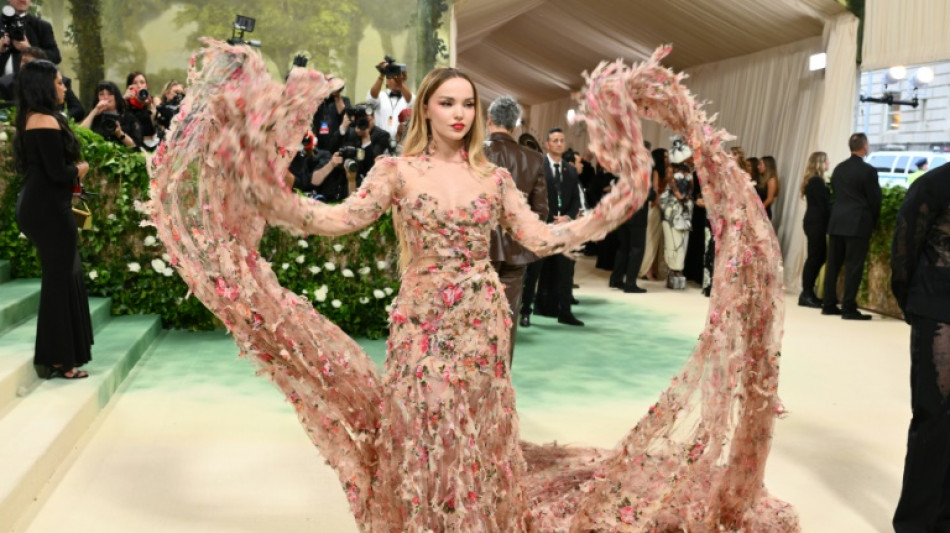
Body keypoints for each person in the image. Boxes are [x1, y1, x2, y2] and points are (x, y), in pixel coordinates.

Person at [152, 41, 799, 532]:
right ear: (424, 108)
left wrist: (618, 204)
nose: (459, 114)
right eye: (447, 102)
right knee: (423, 420)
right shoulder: (396, 171)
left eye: (468, 104)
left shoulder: (493, 181)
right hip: (422, 319)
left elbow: (542, 238)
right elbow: (336, 220)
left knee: (480, 425)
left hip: (482, 318)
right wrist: (271, 195)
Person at [13, 59, 92, 379]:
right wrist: (81, 169)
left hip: (49, 206)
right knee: (59, 279)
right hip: (46, 209)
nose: (64, 87)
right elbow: (57, 173)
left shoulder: (40, 118)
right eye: (59, 82)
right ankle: (58, 358)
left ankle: (65, 354)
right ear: (43, 86)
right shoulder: (42, 121)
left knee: (66, 273)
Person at [891, 161, 950, 532]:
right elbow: (904, 251)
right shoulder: (934, 184)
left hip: (934, 305)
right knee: (933, 418)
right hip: (937, 311)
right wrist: (915, 304)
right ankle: (915, 523)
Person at [484, 95, 548, 362]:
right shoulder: (534, 159)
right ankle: (502, 381)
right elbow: (540, 210)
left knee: (474, 314)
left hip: (479, 245)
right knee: (507, 316)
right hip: (516, 248)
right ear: (515, 126)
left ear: (489, 121)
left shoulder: (476, 153)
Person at [524, 127, 584, 326]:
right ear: (547, 144)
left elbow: (576, 200)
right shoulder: (538, 166)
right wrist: (547, 217)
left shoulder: (571, 170)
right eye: (555, 140)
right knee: (534, 271)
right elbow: (532, 196)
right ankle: (525, 311)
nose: (559, 143)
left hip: (563, 228)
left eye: (561, 140)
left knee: (566, 270)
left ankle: (565, 312)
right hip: (543, 225)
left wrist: (567, 216)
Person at [821, 133, 881, 320]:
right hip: (858, 223)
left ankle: (829, 304)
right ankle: (848, 307)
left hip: (837, 221)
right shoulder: (868, 170)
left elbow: (835, 194)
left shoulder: (839, 169)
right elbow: (875, 200)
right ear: (864, 146)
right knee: (854, 266)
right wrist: (874, 221)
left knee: (833, 266)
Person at [798, 151, 831, 308]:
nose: (828, 163)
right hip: (816, 223)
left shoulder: (814, 181)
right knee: (815, 257)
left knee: (817, 256)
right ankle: (806, 293)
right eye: (826, 161)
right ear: (820, 163)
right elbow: (823, 205)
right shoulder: (817, 181)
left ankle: (808, 292)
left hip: (813, 222)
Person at [660, 137, 693, 289]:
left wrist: (686, 198)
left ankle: (679, 271)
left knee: (683, 241)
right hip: (672, 207)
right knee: (672, 240)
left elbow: (691, 187)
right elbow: (672, 186)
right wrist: (681, 197)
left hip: (685, 207)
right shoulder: (670, 169)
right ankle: (673, 270)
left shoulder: (689, 170)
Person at [18, 46, 82, 121]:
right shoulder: (7, 83)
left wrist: (60, 117)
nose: (64, 88)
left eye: (31, 63)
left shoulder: (59, 80)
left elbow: (78, 109)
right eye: (24, 62)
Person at [79, 81, 142, 149]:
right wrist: (94, 112)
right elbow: (80, 134)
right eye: (101, 94)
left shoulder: (128, 117)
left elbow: (135, 146)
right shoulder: (94, 116)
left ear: (116, 97)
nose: (105, 97)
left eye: (110, 94)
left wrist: (120, 134)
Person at [366, 57, 412, 138]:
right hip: (380, 143)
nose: (398, 80)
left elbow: (412, 102)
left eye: (402, 78)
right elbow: (372, 98)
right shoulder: (381, 95)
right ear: (387, 80)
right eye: (394, 77)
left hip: (401, 143)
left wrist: (399, 81)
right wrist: (382, 74)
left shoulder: (409, 97)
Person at [123, 71, 159, 150]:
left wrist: (149, 105)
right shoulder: (126, 103)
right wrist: (124, 99)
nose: (139, 86)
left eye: (142, 82)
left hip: (152, 144)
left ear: (146, 85)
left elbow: (157, 124)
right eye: (135, 83)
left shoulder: (152, 101)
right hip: (133, 146)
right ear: (129, 87)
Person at [757, 156, 779, 220]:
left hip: (763, 212)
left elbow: (770, 199)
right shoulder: (761, 178)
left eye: (760, 164)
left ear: (767, 166)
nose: (758, 166)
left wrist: (759, 209)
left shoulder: (772, 180)